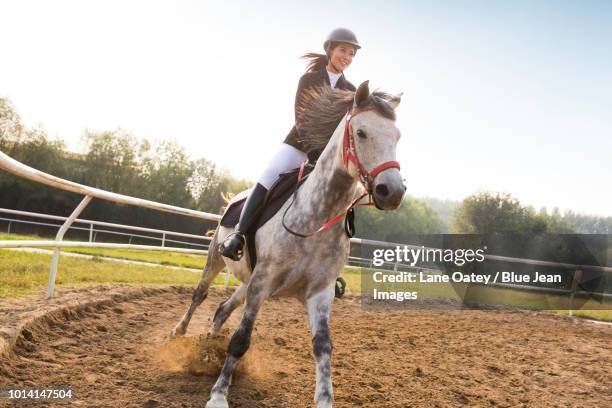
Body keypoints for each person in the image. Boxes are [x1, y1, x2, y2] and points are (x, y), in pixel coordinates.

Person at [219, 28, 361, 261]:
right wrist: (313, 152)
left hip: (326, 157)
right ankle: (238, 235)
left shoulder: (352, 91)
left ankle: (331, 260)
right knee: (269, 175)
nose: (347, 57)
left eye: (352, 54)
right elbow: (302, 118)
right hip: (298, 146)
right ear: (329, 49)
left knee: (343, 193)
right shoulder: (309, 80)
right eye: (343, 50)